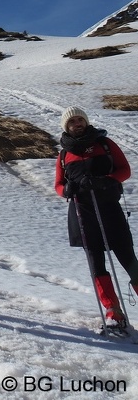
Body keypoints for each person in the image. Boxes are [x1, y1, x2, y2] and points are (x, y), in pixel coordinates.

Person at [54, 106, 136, 327]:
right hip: (82, 214)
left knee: (129, 261)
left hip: (110, 209)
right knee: (96, 264)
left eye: (80, 119)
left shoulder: (105, 145)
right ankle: (113, 313)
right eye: (72, 122)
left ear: (86, 121)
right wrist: (67, 191)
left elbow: (124, 170)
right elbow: (58, 186)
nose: (77, 124)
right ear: (66, 127)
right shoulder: (63, 155)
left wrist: (106, 181)